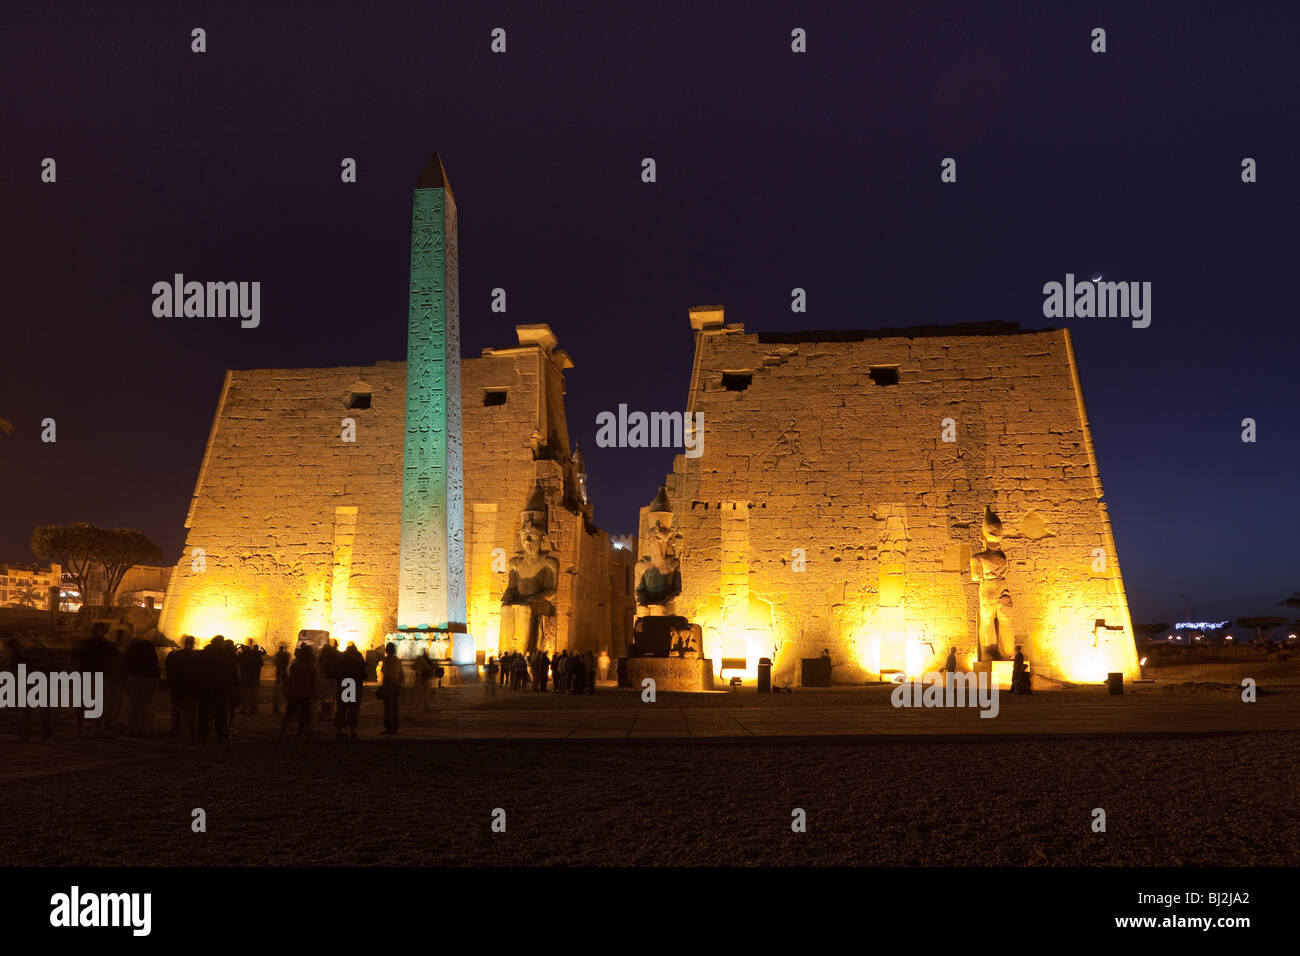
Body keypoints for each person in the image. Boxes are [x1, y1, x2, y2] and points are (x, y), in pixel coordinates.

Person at [122, 635, 161, 736]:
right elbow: (156, 666)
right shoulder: (149, 650)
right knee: (145, 705)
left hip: (135, 678)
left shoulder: (132, 650)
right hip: (149, 679)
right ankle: (143, 729)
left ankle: (131, 728)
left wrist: (124, 678)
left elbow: (126, 664)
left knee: (132, 705)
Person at [196, 637, 231, 742]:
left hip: (205, 687)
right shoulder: (223, 656)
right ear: (220, 644)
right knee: (220, 713)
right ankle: (221, 735)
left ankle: (202, 734)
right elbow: (228, 672)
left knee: (204, 712)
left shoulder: (202, 654)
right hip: (219, 688)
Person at [280, 644, 318, 739]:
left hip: (294, 693)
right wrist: (315, 692)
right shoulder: (311, 667)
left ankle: (282, 731)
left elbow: (291, 680)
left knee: (289, 713)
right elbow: (313, 682)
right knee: (304, 715)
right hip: (306, 694)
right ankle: (301, 733)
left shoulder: (295, 666)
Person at [166, 636, 198, 735]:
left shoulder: (176, 654)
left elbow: (170, 668)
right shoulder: (196, 655)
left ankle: (176, 727)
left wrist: (169, 681)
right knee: (189, 708)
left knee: (176, 707)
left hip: (178, 683)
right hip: (190, 684)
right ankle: (190, 728)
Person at [334, 642, 366, 740]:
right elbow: (364, 675)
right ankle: (353, 731)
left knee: (342, 709)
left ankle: (340, 731)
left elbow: (336, 673)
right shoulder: (358, 660)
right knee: (353, 709)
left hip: (344, 685)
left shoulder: (342, 660)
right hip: (354, 685)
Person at [378, 642, 404, 734]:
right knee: (395, 708)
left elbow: (385, 673)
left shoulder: (387, 660)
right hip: (396, 686)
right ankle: (396, 727)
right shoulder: (397, 660)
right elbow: (401, 674)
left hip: (389, 686)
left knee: (388, 709)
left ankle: (389, 728)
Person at [238, 639, 265, 715]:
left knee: (245, 692)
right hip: (254, 675)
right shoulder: (257, 654)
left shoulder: (244, 655)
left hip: (246, 675)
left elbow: (238, 659)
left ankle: (243, 709)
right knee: (253, 693)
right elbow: (261, 663)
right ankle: (252, 709)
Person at [318, 639, 341, 721]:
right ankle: (330, 713)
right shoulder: (336, 654)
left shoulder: (322, 655)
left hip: (326, 677)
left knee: (325, 697)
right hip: (332, 677)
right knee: (331, 696)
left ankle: (324, 713)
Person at [272, 643, 291, 714]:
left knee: (279, 687)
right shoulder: (285, 654)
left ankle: (277, 707)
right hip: (282, 670)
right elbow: (286, 662)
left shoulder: (279, 654)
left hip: (280, 670)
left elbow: (276, 662)